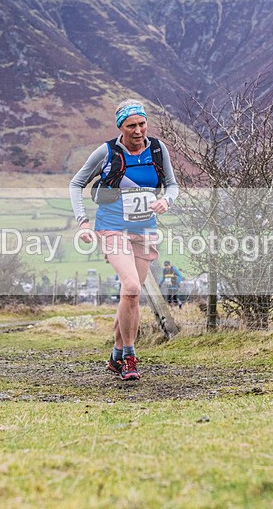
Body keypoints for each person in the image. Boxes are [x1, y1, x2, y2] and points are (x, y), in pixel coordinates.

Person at [70, 99, 179, 381]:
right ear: (121, 126)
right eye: (131, 125)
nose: (138, 130)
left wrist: (167, 200)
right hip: (112, 228)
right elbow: (76, 184)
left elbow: (172, 184)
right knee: (131, 286)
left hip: (144, 229)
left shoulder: (157, 149)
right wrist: (82, 221)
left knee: (130, 296)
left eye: (142, 123)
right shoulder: (106, 152)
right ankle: (129, 356)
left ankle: (116, 355)